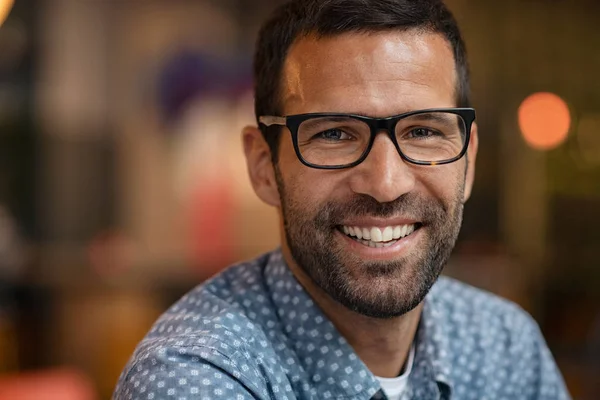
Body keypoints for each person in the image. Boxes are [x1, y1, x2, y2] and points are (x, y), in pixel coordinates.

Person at [114, 0, 571, 399]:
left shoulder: (505, 346)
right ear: (262, 166)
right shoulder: (196, 375)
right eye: (334, 134)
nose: (386, 184)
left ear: (467, 160)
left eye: (424, 131)